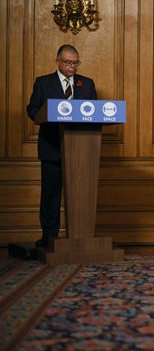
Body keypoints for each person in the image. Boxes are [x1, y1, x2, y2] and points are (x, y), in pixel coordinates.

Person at [26, 45, 97, 247]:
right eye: (68, 62)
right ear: (58, 61)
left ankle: (82, 237)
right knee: (51, 194)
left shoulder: (87, 84)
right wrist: (45, 113)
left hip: (82, 150)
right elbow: (32, 109)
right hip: (52, 148)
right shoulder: (43, 83)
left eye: (75, 63)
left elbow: (95, 112)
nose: (72, 67)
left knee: (82, 195)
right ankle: (49, 237)